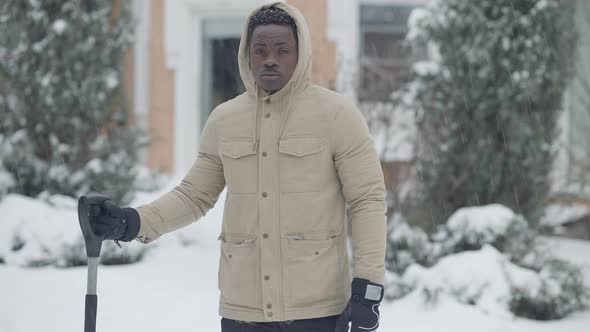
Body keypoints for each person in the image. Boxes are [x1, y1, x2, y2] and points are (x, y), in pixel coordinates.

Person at [87, 2, 386, 331]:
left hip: (317, 309)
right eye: (260, 50)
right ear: (247, 54)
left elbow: (367, 200)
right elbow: (194, 195)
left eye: (282, 49)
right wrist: (132, 222)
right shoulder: (225, 119)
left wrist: (368, 289)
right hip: (243, 310)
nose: (270, 59)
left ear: (300, 53)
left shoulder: (337, 115)